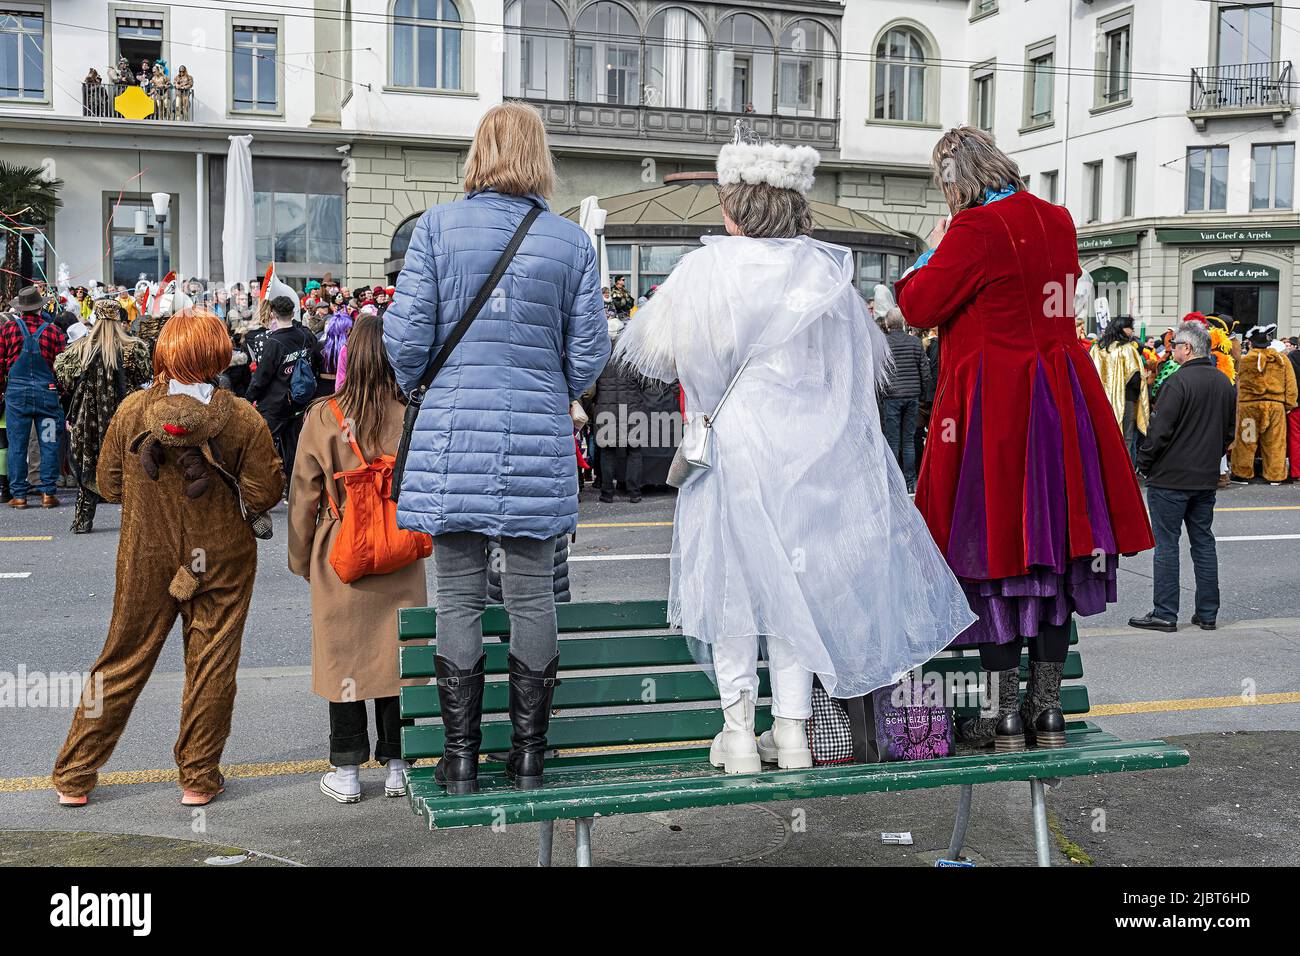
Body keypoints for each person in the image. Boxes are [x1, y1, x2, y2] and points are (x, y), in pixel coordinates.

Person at [615, 134, 975, 773]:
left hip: (728, 454)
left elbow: (661, 354)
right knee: (795, 595)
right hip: (810, 458)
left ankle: (736, 733)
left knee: (731, 594)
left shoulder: (705, 270)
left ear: (733, 209)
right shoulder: (825, 272)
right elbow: (861, 373)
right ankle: (791, 733)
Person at [895, 126, 1153, 751]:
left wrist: (933, 248)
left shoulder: (974, 229)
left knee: (995, 549)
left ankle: (1003, 715)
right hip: (1061, 402)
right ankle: (1047, 712)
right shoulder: (1058, 220)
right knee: (1057, 553)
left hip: (995, 405)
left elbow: (918, 306)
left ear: (955, 181)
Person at [383, 102, 609, 793]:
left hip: (453, 436)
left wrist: (436, 379)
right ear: (540, 156)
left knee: (457, 600)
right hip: (536, 437)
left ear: (477, 152)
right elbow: (591, 353)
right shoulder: (570, 243)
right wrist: (545, 385)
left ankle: (458, 760)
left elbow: (405, 339)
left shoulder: (436, 230)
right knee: (534, 597)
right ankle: (531, 756)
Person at [52, 309, 283, 806]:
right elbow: (264, 492)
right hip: (219, 557)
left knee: (122, 658)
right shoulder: (241, 416)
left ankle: (75, 775)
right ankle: (198, 778)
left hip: (147, 554)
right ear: (218, 354)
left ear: (163, 354)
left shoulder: (135, 410)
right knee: (211, 664)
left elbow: (109, 484)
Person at [287, 314, 429, 804]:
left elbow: (304, 494)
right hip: (401, 544)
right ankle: (397, 764)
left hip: (340, 545)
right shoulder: (412, 412)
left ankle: (347, 771)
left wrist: (302, 558)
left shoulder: (323, 416)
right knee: (397, 655)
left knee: (343, 655)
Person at [1130, 321, 1237, 632]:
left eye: (1175, 344)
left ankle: (1165, 612)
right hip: (1204, 478)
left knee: (1167, 545)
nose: (1171, 349)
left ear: (1187, 349)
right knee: (1203, 542)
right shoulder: (1223, 382)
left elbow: (1159, 432)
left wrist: (1144, 463)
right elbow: (1228, 433)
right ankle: (1207, 612)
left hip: (1170, 478)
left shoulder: (1177, 383)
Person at [53, 299, 152, 533]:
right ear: (118, 318)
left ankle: (82, 520)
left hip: (89, 417)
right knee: (130, 465)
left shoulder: (81, 348)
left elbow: (62, 372)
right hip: (127, 413)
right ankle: (136, 522)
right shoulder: (133, 347)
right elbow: (145, 374)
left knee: (90, 462)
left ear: (96, 318)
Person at [245, 294, 322, 495]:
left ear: (272, 313)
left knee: (261, 447)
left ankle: (262, 489)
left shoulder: (274, 342)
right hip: (299, 402)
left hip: (275, 405)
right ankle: (294, 490)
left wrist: (247, 399)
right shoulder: (305, 335)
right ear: (293, 312)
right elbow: (317, 360)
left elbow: (261, 378)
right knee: (294, 449)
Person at [1, 285, 67, 509]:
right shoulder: (54, 332)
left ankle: (19, 495)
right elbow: (62, 369)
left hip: (17, 396)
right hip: (47, 396)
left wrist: (3, 390)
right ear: (40, 309)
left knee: (17, 444)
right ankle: (48, 493)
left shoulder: (8, 330)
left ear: (21, 310)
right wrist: (60, 391)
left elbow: (0, 364)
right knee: (49, 442)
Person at [1230, 323, 1297, 484]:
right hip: (1275, 406)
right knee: (1275, 442)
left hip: (1249, 407)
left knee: (1247, 440)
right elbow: (1291, 385)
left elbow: (1237, 382)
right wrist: (1288, 404)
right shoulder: (1281, 359)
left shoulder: (1245, 361)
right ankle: (1275, 475)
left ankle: (1242, 473)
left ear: (1251, 343)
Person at [591, 316, 646, 503]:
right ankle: (634, 492)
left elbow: (591, 387)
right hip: (632, 408)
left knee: (607, 451)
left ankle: (607, 493)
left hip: (605, 409)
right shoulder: (633, 354)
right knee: (634, 450)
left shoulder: (599, 355)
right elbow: (644, 382)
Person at [879, 309, 930, 493]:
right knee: (908, 440)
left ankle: (893, 483)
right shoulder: (915, 343)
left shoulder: (883, 344)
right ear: (903, 323)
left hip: (892, 396)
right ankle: (910, 482)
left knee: (893, 440)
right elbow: (925, 371)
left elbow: (880, 372)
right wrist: (922, 394)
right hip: (911, 396)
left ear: (887, 324)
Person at [1091, 314, 1149, 465]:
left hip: (1099, 402)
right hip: (1125, 400)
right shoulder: (1127, 349)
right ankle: (1124, 473)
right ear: (1122, 329)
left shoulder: (1097, 348)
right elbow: (1135, 379)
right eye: (1130, 328)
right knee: (1125, 439)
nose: (1132, 331)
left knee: (1101, 437)